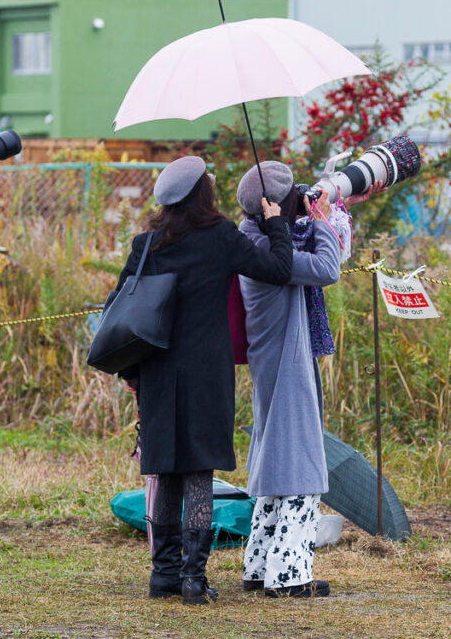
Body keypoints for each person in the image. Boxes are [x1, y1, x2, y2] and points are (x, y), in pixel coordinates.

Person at [114, 155, 293, 605]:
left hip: (157, 370)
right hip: (206, 372)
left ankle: (163, 577)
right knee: (198, 473)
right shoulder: (221, 238)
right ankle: (194, 579)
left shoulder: (145, 245)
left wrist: (132, 373)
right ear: (203, 195)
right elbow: (278, 269)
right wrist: (274, 222)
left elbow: (121, 312)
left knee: (166, 471)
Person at [235, 161, 380, 598]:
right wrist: (318, 219)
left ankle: (260, 566)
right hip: (286, 359)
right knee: (300, 467)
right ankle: (290, 576)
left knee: (278, 460)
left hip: (277, 357)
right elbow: (325, 268)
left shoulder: (251, 238)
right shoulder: (269, 256)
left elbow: (315, 253)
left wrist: (332, 210)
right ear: (275, 208)